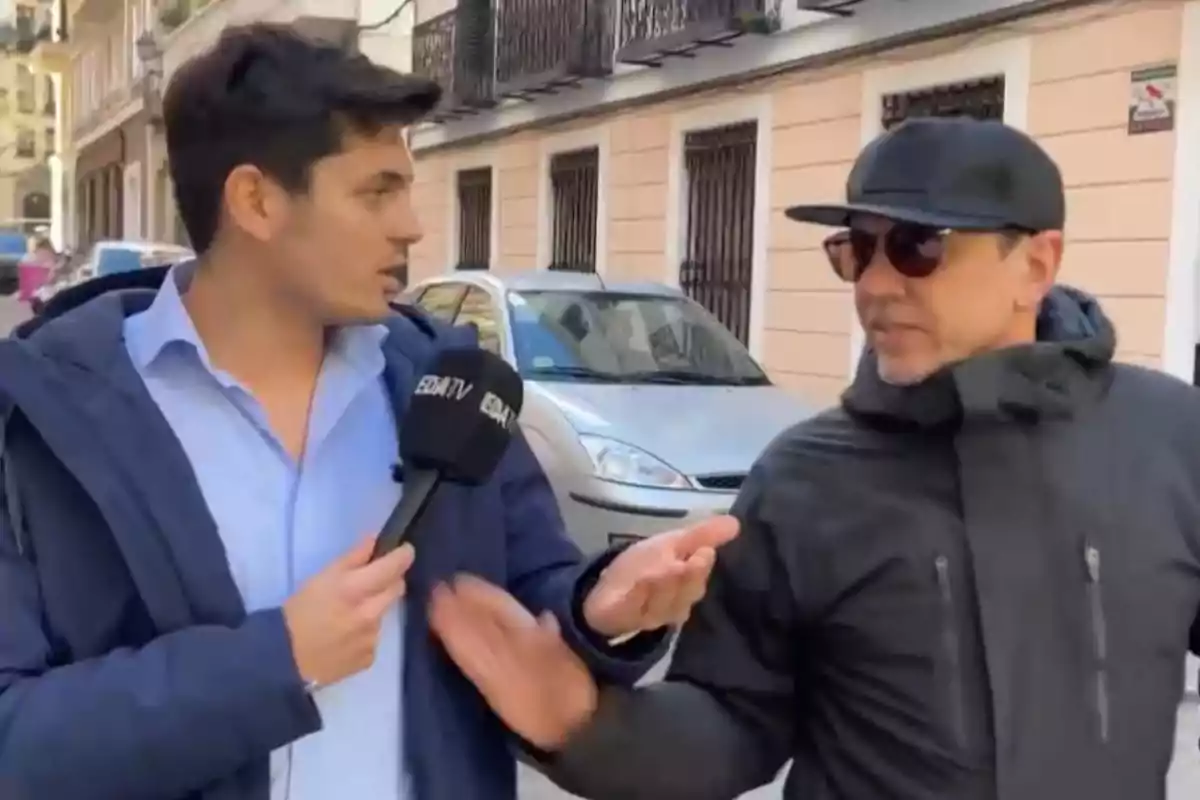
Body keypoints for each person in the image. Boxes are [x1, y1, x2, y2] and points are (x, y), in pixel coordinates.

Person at [0, 24, 737, 800]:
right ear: (255, 200)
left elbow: (525, 600)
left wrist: (598, 606)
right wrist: (276, 661)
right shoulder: (45, 425)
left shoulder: (446, 386)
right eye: (376, 190)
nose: (412, 225)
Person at [427, 116, 1200, 800]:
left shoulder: (1166, 435)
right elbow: (733, 721)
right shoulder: (805, 478)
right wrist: (585, 725)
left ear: (1035, 264)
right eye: (857, 250)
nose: (876, 285)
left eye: (918, 248)